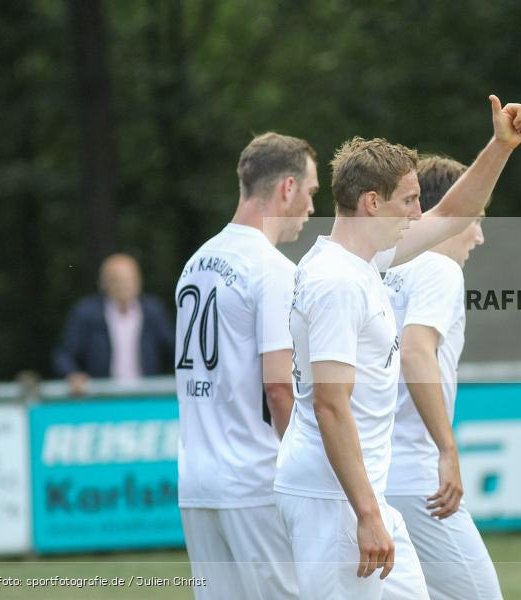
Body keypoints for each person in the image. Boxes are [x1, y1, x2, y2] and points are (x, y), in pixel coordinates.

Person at [274, 95, 521, 600]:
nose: (420, 212)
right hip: (334, 501)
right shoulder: (338, 281)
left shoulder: (363, 261)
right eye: (409, 200)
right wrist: (367, 514)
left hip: (356, 496)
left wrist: (502, 147)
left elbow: (453, 211)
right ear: (372, 203)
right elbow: (331, 406)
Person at [174, 133, 317, 600]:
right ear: (287, 188)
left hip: (198, 481)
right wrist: (309, 467)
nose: (313, 208)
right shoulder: (272, 268)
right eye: (312, 193)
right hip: (253, 480)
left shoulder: (196, 263)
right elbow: (279, 386)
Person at [383, 155, 502, 599]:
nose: (480, 234)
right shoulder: (439, 270)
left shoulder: (378, 270)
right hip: (417, 476)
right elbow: (416, 354)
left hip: (368, 474)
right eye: (477, 218)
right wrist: (447, 449)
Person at [53, 253, 174, 395]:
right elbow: (64, 353)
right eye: (116, 280)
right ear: (103, 283)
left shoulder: (153, 312)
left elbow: (174, 349)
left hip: (146, 397)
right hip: (102, 399)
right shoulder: (86, 313)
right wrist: (72, 375)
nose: (123, 286)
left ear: (139, 281)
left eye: (129, 279)